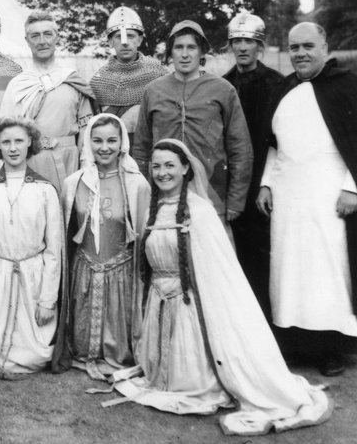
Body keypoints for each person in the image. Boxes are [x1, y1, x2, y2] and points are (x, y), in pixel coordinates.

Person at [114, 139, 331, 436]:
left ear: (186, 168)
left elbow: (215, 270)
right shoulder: (154, 209)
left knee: (192, 376)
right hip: (159, 300)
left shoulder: (199, 211)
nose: (162, 173)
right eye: (157, 166)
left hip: (189, 304)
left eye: (170, 165)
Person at [257, 22, 357, 376]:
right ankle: (295, 343)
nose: (300, 53)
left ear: (325, 47)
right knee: (289, 270)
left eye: (308, 46)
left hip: (328, 195)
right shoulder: (284, 89)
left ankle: (330, 348)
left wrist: (352, 187)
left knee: (326, 269)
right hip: (287, 195)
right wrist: (265, 184)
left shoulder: (346, 85)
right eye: (294, 47)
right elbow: (273, 145)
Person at [0, 116, 63, 377]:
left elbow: (54, 250)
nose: (13, 148)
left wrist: (48, 300)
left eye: (19, 140)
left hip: (32, 278)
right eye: (6, 142)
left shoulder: (45, 190)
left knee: (34, 351)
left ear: (30, 142)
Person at [52, 114, 150, 379]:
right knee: (81, 344)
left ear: (122, 142)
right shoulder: (73, 183)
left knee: (119, 348)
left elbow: (143, 236)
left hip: (121, 272)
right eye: (97, 141)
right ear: (88, 142)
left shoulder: (137, 184)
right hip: (84, 269)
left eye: (111, 140)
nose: (104, 147)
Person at [132, 20, 253, 223]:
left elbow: (240, 149)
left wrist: (235, 201)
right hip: (163, 197)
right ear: (170, 52)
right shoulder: (153, 91)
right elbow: (141, 149)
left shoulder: (223, 90)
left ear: (202, 51)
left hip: (212, 196)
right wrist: (145, 195)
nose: (185, 54)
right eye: (179, 47)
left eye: (191, 47)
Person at [222, 12, 285, 319]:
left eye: (248, 40)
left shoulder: (277, 84)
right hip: (233, 186)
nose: (242, 47)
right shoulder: (223, 85)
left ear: (260, 45)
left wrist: (268, 182)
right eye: (237, 41)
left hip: (265, 184)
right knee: (236, 258)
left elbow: (281, 141)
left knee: (268, 259)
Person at [0, 11, 96, 194]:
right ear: (27, 40)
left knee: (68, 209)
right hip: (31, 162)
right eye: (35, 35)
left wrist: (85, 168)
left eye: (48, 34)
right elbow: (5, 133)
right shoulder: (18, 85)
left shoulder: (72, 80)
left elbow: (86, 132)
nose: (42, 41)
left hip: (69, 162)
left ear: (57, 37)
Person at [89, 6, 167, 145]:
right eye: (119, 37)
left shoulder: (159, 73)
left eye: (130, 36)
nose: (125, 42)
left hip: (150, 146)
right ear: (110, 41)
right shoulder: (98, 81)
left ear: (140, 40)